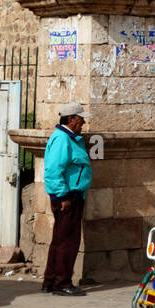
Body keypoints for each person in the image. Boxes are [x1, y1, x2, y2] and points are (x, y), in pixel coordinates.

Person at [42, 101, 92, 295]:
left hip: (70, 195)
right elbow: (53, 170)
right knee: (68, 242)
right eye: (80, 119)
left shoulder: (68, 138)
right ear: (71, 119)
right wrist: (63, 196)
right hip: (68, 197)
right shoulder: (62, 139)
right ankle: (62, 283)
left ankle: (50, 280)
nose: (83, 123)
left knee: (60, 240)